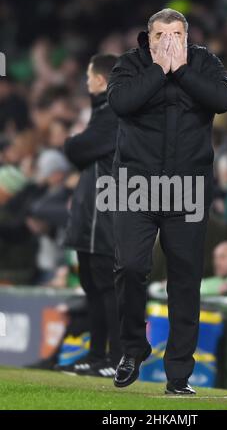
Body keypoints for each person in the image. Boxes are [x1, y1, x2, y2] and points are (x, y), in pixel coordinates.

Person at [107, 8, 227, 394]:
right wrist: (160, 70)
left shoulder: (205, 62)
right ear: (149, 37)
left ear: (187, 35)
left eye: (176, 33)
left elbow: (223, 99)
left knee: (183, 280)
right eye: (161, 34)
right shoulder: (130, 64)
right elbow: (121, 103)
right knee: (129, 267)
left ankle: (178, 376)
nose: (169, 41)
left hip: (188, 189)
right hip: (135, 186)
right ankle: (133, 347)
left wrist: (181, 71)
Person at [63, 54, 122, 377]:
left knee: (106, 287)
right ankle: (97, 355)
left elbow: (78, 149)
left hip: (105, 213)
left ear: (100, 80)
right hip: (91, 213)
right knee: (92, 285)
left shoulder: (113, 113)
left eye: (89, 76)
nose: (86, 82)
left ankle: (117, 358)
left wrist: (72, 142)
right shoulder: (103, 111)